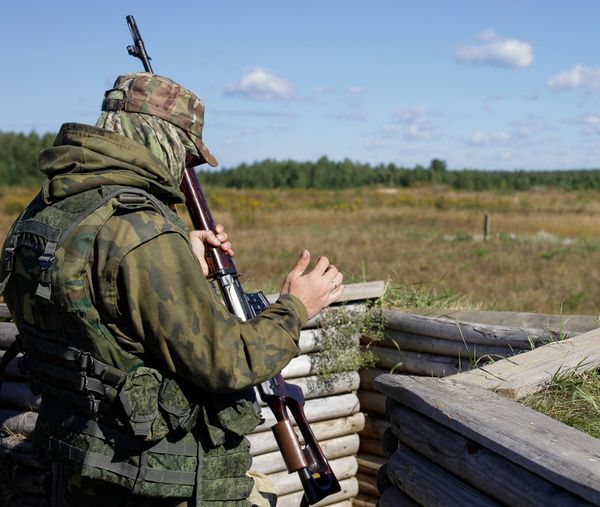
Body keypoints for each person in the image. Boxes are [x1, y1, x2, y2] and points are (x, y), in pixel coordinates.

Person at [0, 72, 344, 506]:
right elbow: (226, 362)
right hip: (155, 479)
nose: (182, 170)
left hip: (80, 468)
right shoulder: (142, 231)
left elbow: (96, 306)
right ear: (159, 137)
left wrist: (175, 254)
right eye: (184, 155)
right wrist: (295, 306)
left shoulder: (44, 212)